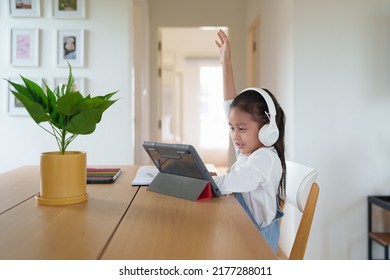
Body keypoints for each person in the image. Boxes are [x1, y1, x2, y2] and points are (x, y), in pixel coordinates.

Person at [214, 29, 286, 253]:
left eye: (242, 129)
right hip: (244, 234)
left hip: (257, 248)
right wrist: (226, 64)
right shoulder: (248, 153)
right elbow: (230, 107)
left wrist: (198, 181)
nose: (235, 135)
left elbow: (231, 182)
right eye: (232, 128)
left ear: (268, 130)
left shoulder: (264, 159)